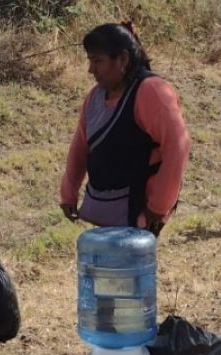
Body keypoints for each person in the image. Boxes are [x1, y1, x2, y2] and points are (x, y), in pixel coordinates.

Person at [60, 22, 191, 235]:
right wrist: (68, 193)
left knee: (129, 268)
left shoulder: (152, 92)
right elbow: (80, 147)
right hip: (106, 209)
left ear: (122, 59)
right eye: (90, 61)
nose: (91, 69)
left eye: (98, 61)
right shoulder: (95, 97)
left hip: (141, 212)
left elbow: (178, 147)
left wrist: (159, 206)